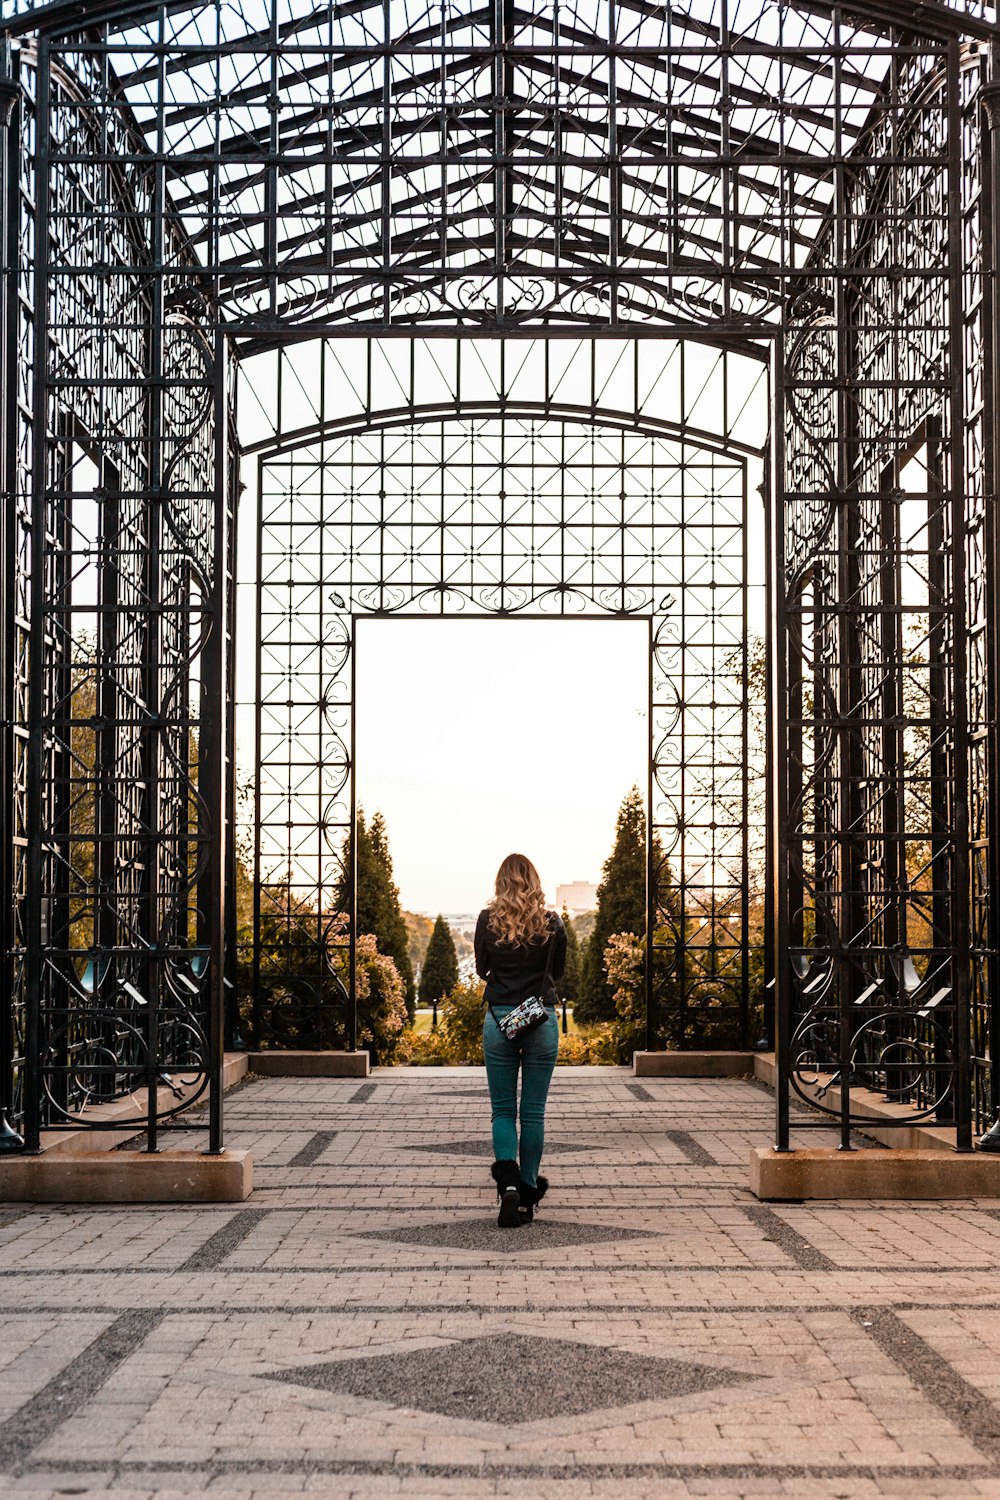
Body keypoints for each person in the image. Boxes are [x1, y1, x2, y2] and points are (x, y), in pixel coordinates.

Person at [474, 853, 566, 1228]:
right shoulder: (552, 922)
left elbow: (482, 969)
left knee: (502, 1110)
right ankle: (527, 1194)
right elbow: (557, 972)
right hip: (540, 1019)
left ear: (501, 882)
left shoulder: (487, 920)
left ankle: (507, 1187)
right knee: (533, 1113)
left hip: (499, 1020)